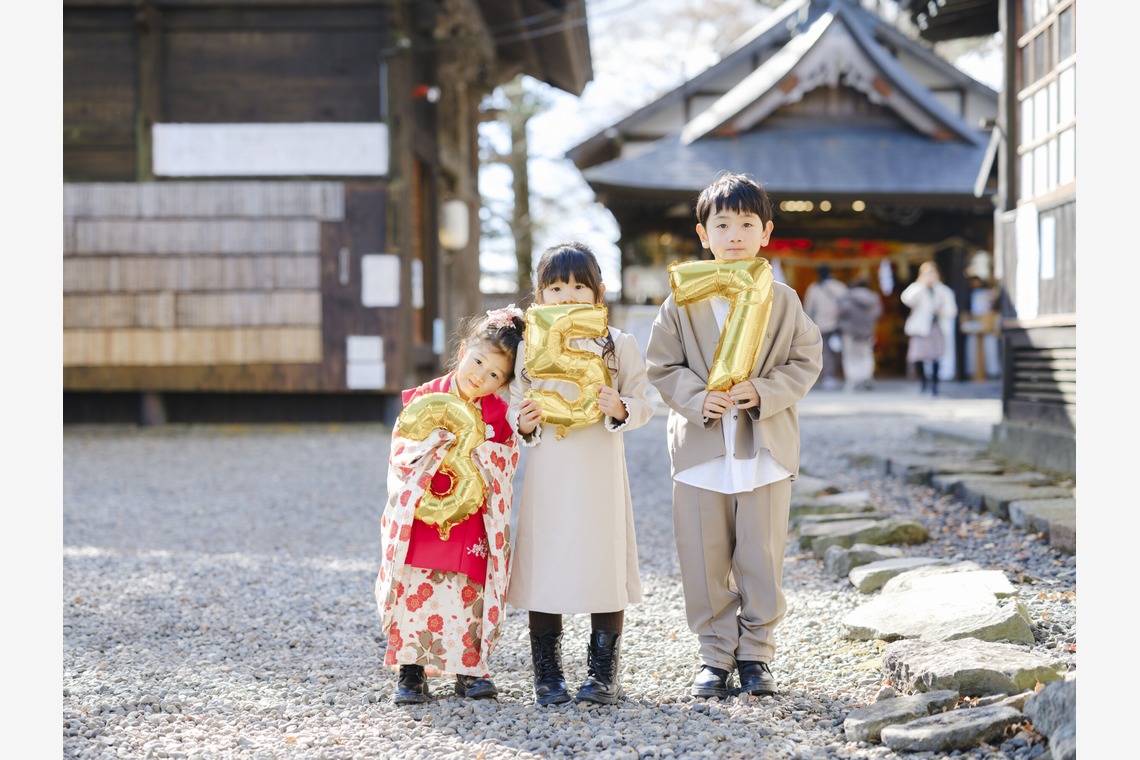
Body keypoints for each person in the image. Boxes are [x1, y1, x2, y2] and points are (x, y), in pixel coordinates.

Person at [645, 172, 822, 699]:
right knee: (702, 554)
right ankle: (714, 654)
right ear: (704, 234)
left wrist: (764, 391)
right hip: (701, 447)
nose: (735, 233)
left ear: (766, 232)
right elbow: (662, 365)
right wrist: (699, 397)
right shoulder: (681, 299)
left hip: (762, 446)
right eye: (722, 224)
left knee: (761, 553)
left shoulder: (784, 299)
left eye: (747, 223)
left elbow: (806, 359)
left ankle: (756, 655)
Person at [508, 242, 653, 707]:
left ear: (598, 293)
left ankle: (602, 671)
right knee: (544, 556)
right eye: (555, 287)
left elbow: (644, 401)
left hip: (599, 468)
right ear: (539, 295)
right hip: (550, 464)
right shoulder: (531, 345)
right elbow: (514, 400)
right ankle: (547, 672)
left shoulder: (618, 343)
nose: (567, 295)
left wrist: (622, 407)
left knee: (601, 557)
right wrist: (524, 420)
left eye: (577, 286)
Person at [375, 305, 526, 705]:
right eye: (478, 362)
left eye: (494, 374)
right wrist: (434, 446)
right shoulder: (427, 398)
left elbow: (506, 460)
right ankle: (410, 671)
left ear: (506, 381)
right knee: (415, 587)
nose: (480, 377)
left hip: (472, 515)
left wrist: (478, 454)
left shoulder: (499, 414)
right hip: (424, 512)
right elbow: (402, 450)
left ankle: (469, 669)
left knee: (466, 590)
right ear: (462, 352)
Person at [900, 261, 958, 396]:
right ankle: (924, 381)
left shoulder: (943, 290)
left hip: (936, 327)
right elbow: (907, 299)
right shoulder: (918, 288)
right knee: (919, 356)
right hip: (920, 328)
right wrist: (921, 285)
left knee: (936, 356)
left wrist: (941, 310)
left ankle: (935, 384)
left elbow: (952, 311)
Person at [802, 264, 847, 390]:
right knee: (838, 352)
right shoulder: (840, 286)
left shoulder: (814, 288)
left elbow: (808, 308)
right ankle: (836, 374)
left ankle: (828, 376)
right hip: (838, 325)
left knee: (824, 352)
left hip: (821, 325)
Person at [836, 275, 883, 391]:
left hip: (849, 332)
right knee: (866, 355)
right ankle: (867, 376)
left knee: (850, 357)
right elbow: (878, 313)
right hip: (867, 331)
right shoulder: (874, 298)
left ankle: (852, 380)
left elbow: (841, 312)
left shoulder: (846, 297)